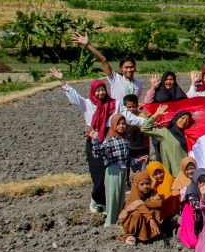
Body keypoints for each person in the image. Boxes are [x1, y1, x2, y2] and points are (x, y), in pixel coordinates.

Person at [50, 67, 145, 213]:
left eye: (103, 90)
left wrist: (147, 121)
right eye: (98, 90)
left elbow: (129, 117)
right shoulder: (87, 104)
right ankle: (96, 199)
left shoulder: (114, 104)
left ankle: (108, 203)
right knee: (98, 174)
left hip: (111, 141)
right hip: (94, 141)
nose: (101, 93)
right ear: (93, 92)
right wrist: (62, 80)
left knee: (110, 173)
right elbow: (74, 96)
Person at [71, 32, 142, 100]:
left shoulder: (138, 84)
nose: (129, 70)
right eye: (126, 67)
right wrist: (88, 45)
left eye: (131, 67)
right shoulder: (115, 79)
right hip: (116, 112)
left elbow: (135, 102)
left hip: (130, 112)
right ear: (121, 69)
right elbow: (103, 60)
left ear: (135, 68)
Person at [89, 114, 130, 226]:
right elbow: (98, 153)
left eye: (123, 124)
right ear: (113, 125)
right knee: (113, 198)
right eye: (119, 124)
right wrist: (95, 140)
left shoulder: (125, 139)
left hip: (123, 171)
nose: (121, 126)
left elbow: (127, 159)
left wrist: (138, 160)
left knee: (121, 198)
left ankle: (117, 221)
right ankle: (109, 223)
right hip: (113, 171)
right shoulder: (109, 140)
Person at [140, 104, 192, 178]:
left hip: (188, 172)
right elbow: (144, 128)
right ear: (176, 118)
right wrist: (157, 114)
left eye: (187, 120)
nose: (184, 121)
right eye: (182, 118)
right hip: (174, 174)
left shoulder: (186, 134)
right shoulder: (165, 133)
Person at [117, 171, 162, 245]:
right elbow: (140, 207)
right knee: (137, 214)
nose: (145, 186)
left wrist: (143, 203)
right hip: (129, 222)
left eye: (147, 183)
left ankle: (151, 233)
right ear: (136, 185)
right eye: (142, 184)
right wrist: (150, 218)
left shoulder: (150, 192)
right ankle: (131, 234)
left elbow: (159, 203)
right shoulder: (134, 194)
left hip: (145, 218)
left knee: (155, 209)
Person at [179, 168, 205, 249]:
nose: (203, 184)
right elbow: (198, 207)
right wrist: (203, 196)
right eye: (200, 182)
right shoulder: (191, 190)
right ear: (196, 181)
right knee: (193, 242)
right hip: (194, 214)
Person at [122, 94, 150, 173]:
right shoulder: (124, 118)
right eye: (129, 107)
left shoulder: (142, 116)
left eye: (133, 106)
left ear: (137, 105)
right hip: (130, 147)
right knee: (128, 166)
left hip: (142, 147)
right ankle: (127, 182)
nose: (131, 109)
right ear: (124, 107)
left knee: (143, 169)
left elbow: (145, 128)